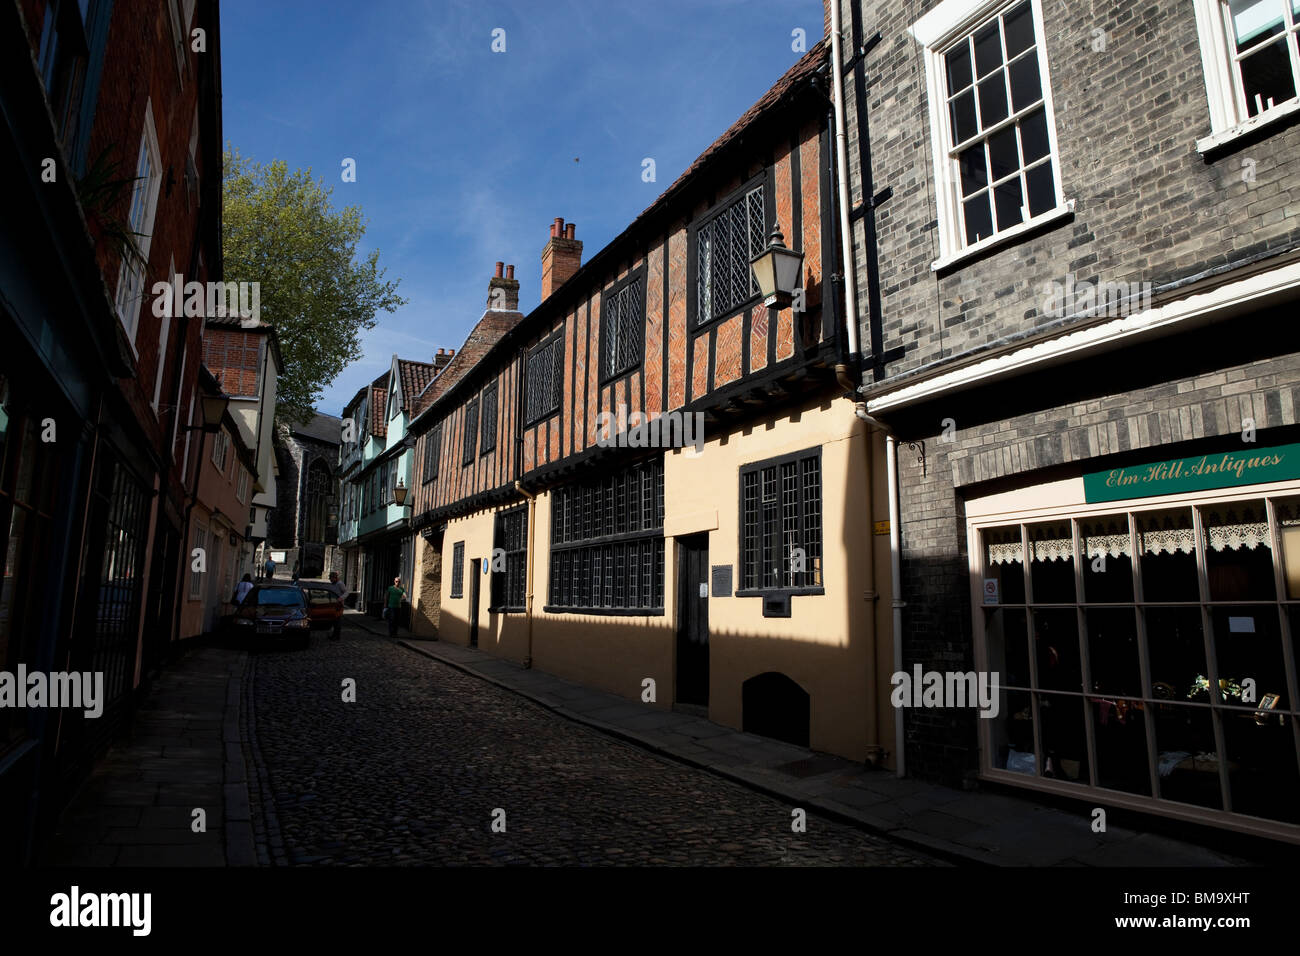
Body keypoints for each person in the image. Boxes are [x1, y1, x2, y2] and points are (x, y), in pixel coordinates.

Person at [326, 571, 346, 640]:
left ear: (334, 578)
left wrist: (340, 598)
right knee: (334, 621)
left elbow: (346, 592)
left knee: (337, 621)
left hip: (339, 605)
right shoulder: (333, 584)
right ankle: (334, 635)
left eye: (331, 578)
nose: (330, 580)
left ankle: (337, 636)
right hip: (334, 604)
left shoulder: (340, 584)